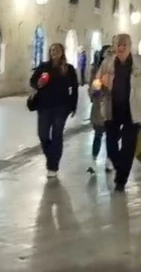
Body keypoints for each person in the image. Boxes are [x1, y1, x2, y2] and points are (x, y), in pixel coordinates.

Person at [95, 34, 141, 192]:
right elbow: (96, 82)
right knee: (111, 146)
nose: (121, 48)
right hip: (111, 109)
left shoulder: (140, 64)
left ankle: (121, 179)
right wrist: (99, 86)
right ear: (114, 46)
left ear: (130, 46)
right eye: (118, 45)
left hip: (132, 110)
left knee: (129, 146)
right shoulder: (107, 63)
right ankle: (119, 166)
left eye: (124, 45)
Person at [29, 43, 79, 179]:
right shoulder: (44, 67)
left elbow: (74, 88)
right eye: (52, 50)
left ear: (62, 52)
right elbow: (33, 81)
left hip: (62, 107)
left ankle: (53, 165)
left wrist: (73, 106)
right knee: (43, 134)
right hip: (44, 106)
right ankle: (51, 157)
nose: (54, 52)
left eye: (57, 49)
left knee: (57, 134)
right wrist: (39, 82)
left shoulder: (68, 69)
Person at [87, 45, 114, 174]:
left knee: (112, 135)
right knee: (98, 134)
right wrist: (96, 92)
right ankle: (93, 159)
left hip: (114, 105)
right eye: (107, 53)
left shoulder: (120, 69)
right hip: (101, 105)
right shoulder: (98, 70)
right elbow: (94, 87)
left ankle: (109, 159)